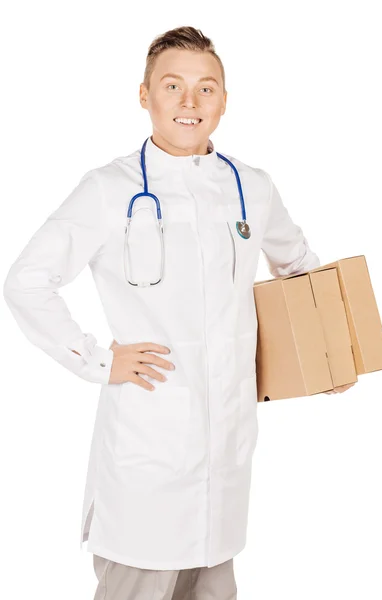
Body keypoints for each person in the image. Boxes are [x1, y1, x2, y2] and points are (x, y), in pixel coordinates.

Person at [3, 25, 354, 600]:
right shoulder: (108, 189)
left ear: (224, 99)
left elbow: (300, 269)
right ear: (145, 95)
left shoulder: (252, 188)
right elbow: (26, 281)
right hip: (148, 451)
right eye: (172, 86)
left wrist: (330, 355)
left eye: (206, 88)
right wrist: (95, 360)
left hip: (227, 458)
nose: (190, 103)